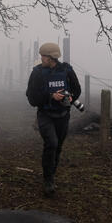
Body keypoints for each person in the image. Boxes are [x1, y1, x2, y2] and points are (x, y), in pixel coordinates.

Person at [26, 42, 81, 197]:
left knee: (58, 147)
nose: (41, 58)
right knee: (51, 143)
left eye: (43, 56)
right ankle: (48, 180)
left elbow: (77, 90)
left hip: (63, 115)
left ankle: (51, 173)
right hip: (45, 115)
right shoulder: (37, 73)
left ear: (51, 58)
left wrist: (68, 96)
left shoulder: (66, 70)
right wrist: (51, 96)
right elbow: (31, 98)